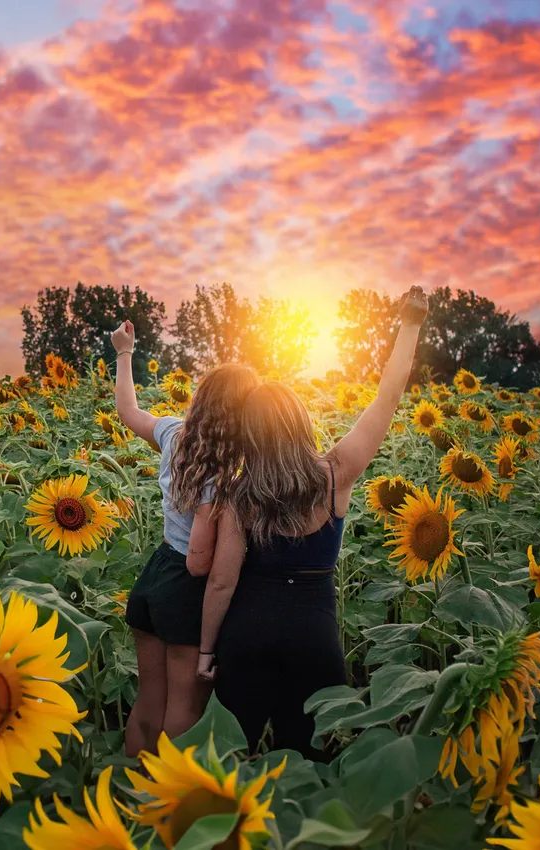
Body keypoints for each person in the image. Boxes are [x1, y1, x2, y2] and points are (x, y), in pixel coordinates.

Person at [197, 286, 429, 758]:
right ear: (300, 422)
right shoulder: (335, 474)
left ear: (250, 435)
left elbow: (222, 582)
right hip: (313, 636)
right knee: (312, 761)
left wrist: (205, 652)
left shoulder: (241, 493)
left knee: (230, 758)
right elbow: (387, 398)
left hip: (248, 632)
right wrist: (410, 325)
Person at [110, 319, 258, 756]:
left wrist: (124, 353)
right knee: (184, 713)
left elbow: (128, 412)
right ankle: (164, 800)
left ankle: (130, 789)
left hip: (154, 576)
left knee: (149, 703)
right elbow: (198, 561)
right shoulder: (224, 471)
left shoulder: (175, 433)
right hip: (184, 589)